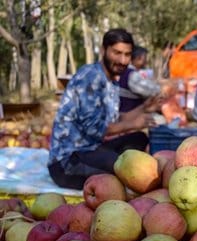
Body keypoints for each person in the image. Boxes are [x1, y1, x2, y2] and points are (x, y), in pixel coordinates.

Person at [48, 28, 163, 190]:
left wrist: (144, 108)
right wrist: (133, 124)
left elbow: (117, 119)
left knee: (139, 138)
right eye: (117, 53)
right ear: (103, 50)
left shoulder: (111, 80)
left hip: (92, 149)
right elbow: (95, 129)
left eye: (127, 54)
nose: (123, 60)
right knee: (123, 170)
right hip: (68, 162)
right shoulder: (90, 77)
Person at [118, 45, 161, 112]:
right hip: (130, 116)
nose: (146, 61)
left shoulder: (122, 72)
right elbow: (150, 90)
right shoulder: (132, 75)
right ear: (138, 58)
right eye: (145, 58)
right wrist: (162, 89)